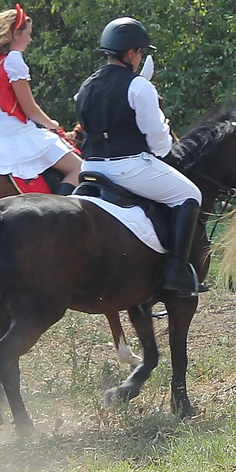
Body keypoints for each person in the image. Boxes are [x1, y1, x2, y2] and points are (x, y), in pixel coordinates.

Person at [73, 17, 203, 297]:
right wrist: (164, 150)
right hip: (128, 167)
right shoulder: (138, 86)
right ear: (131, 53)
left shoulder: (86, 86)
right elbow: (157, 139)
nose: (140, 57)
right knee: (190, 194)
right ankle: (176, 270)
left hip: (89, 167)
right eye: (140, 52)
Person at [0, 4, 81, 193]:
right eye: (28, 34)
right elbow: (29, 108)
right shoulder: (13, 59)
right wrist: (51, 124)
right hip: (14, 134)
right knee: (78, 169)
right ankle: (61, 206)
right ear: (16, 34)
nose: (30, 39)